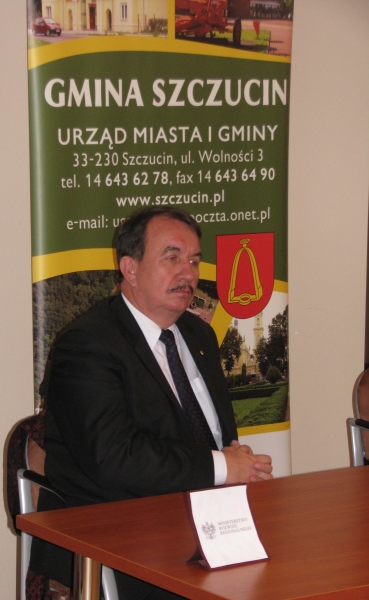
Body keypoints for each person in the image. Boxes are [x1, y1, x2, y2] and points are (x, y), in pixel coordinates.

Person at [30, 206, 273, 600]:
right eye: (172, 257)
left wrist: (237, 461)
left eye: (193, 260)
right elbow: (113, 458)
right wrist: (222, 466)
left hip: (206, 525)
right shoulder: (88, 344)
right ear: (130, 268)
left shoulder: (198, 335)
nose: (188, 273)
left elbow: (214, 436)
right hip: (116, 538)